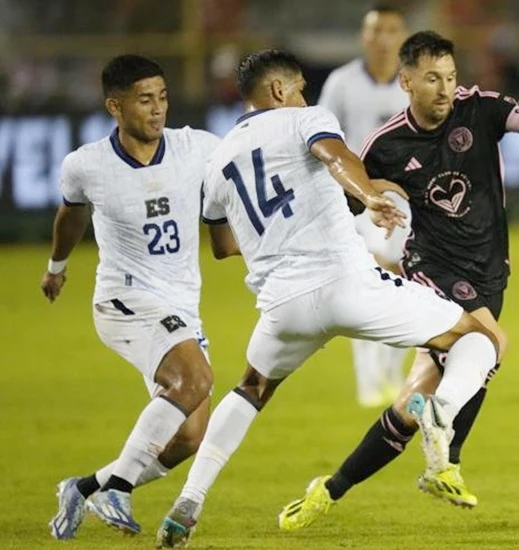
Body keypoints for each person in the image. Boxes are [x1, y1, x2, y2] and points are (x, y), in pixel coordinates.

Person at [154, 49, 500, 548]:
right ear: (279, 91)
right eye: (297, 89)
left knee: (250, 389)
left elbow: (223, 247)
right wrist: (368, 195)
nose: (303, 97)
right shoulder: (305, 119)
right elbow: (334, 156)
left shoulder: (218, 161)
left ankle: (189, 502)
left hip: (282, 306)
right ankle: (441, 411)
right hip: (348, 284)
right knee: (477, 339)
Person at [278, 30, 519, 529]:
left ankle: (328, 490)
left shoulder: (478, 107)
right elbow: (347, 195)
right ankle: (446, 460)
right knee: (488, 342)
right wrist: (375, 197)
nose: (446, 88)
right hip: (434, 266)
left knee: (413, 401)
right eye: (433, 78)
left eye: (450, 76)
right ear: (407, 82)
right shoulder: (385, 144)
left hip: (490, 269)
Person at [42, 54, 238, 539]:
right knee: (195, 379)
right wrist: (56, 267)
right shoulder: (86, 165)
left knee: (190, 436)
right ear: (115, 105)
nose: (158, 109)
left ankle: (85, 487)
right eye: (145, 99)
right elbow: (72, 218)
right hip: (124, 300)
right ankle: (120, 487)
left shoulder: (197, 148)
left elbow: (244, 165)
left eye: (163, 97)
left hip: (180, 306)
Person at [318, 3, 411, 407]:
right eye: (377, 30)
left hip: (409, 202)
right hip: (359, 201)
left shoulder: (412, 84)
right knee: (371, 279)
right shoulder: (341, 83)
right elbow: (321, 142)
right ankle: (368, 381)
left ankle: (391, 375)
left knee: (409, 288)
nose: (384, 38)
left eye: (392, 30)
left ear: (402, 37)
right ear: (365, 36)